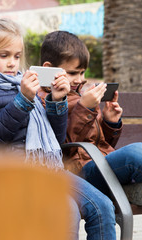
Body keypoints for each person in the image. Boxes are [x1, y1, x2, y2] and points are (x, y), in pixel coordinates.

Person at [0, 18, 116, 239]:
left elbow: (55, 141)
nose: (12, 63)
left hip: (49, 169)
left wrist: (56, 101)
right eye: (4, 55)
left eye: (17, 56)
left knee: (102, 207)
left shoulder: (24, 82)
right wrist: (22, 100)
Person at [39, 30, 142, 203]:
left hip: (99, 165)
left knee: (137, 152)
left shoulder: (80, 95)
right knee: (135, 153)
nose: (80, 79)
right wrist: (85, 109)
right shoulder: (45, 100)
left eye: (83, 72)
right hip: (78, 175)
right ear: (49, 69)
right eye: (73, 73)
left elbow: (101, 145)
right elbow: (63, 148)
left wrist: (110, 122)